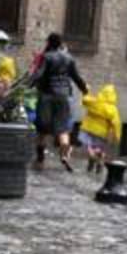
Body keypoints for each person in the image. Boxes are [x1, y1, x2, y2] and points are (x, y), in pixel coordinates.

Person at [30, 33, 89, 171]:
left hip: (47, 94)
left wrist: (29, 84)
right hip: (63, 96)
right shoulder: (69, 58)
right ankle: (64, 155)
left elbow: (39, 74)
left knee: (42, 130)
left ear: (49, 42)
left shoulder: (47, 56)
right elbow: (77, 77)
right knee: (62, 129)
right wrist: (84, 89)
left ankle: (40, 160)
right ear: (61, 43)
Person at [79, 84, 121, 174]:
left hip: (88, 129)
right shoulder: (113, 110)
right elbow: (116, 124)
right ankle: (99, 162)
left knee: (88, 145)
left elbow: (84, 100)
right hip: (102, 133)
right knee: (100, 148)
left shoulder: (95, 102)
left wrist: (86, 91)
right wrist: (117, 136)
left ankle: (92, 157)